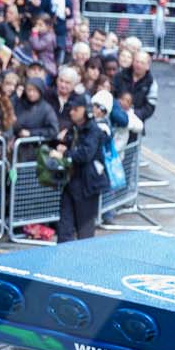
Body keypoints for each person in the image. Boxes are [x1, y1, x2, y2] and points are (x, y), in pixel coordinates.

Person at [46, 93, 106, 243]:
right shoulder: (73, 128)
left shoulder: (94, 131)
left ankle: (83, 258)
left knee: (84, 232)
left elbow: (85, 154)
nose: (71, 112)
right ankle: (63, 256)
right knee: (64, 229)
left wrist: (64, 153)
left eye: (75, 109)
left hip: (87, 186)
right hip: (71, 183)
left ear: (85, 110)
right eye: (70, 109)